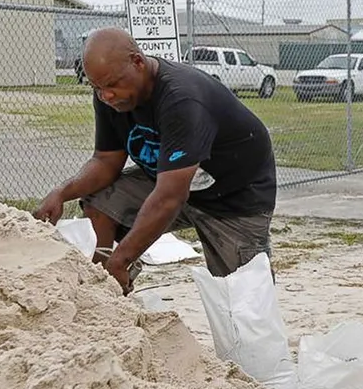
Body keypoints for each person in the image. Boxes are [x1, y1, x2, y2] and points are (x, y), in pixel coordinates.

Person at [34, 27, 277, 293]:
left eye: (112, 85)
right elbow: (105, 161)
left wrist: (123, 257)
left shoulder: (182, 99)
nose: (106, 96)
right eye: (97, 88)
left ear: (137, 62)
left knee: (244, 300)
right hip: (172, 183)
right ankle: (106, 291)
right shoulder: (109, 95)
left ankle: (118, 267)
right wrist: (61, 192)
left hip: (235, 197)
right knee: (99, 199)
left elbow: (170, 198)